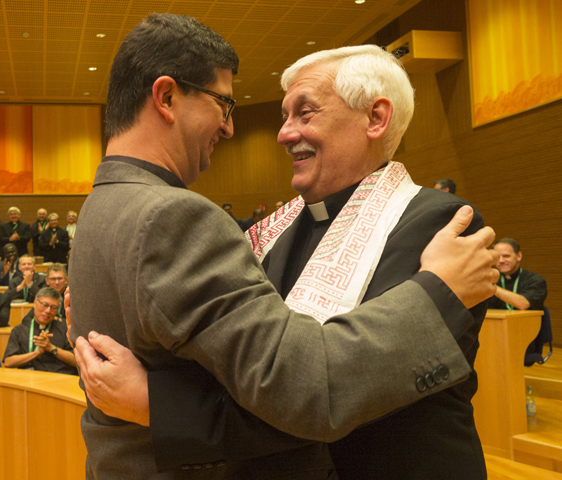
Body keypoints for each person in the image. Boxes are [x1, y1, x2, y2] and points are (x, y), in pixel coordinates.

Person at [67, 14, 497, 479]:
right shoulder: (267, 232)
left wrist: (160, 406)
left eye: (305, 113)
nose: (284, 133)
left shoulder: (440, 226)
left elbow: (327, 395)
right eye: (285, 115)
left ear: (375, 118)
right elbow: (272, 384)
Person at [3, 287, 76, 374]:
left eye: (53, 307)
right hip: (29, 380)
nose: (48, 311)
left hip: (59, 379)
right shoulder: (19, 330)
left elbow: (76, 361)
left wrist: (52, 348)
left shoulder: (65, 328)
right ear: (35, 303)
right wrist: (37, 352)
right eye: (45, 305)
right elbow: (8, 362)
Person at [487, 238, 547, 311]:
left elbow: (524, 304)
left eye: (506, 256)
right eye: (497, 257)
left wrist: (492, 287)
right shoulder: (493, 279)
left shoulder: (535, 280)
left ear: (519, 256)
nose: (501, 261)